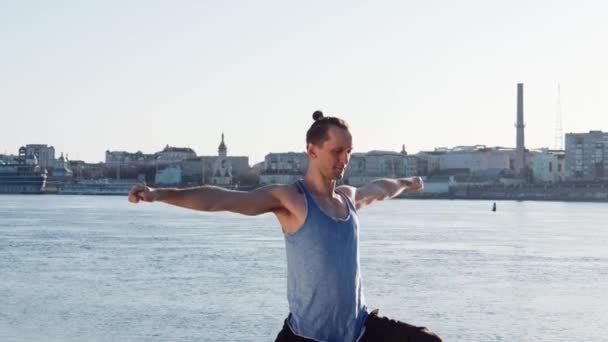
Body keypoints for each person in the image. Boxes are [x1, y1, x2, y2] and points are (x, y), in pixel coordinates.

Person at [128, 111, 442, 342]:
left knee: (427, 341)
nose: (344, 159)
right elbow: (219, 199)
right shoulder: (290, 199)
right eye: (337, 151)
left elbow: (382, 187)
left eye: (348, 152)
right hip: (305, 337)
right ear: (312, 149)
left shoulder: (348, 199)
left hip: (357, 330)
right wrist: (158, 194)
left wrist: (409, 181)